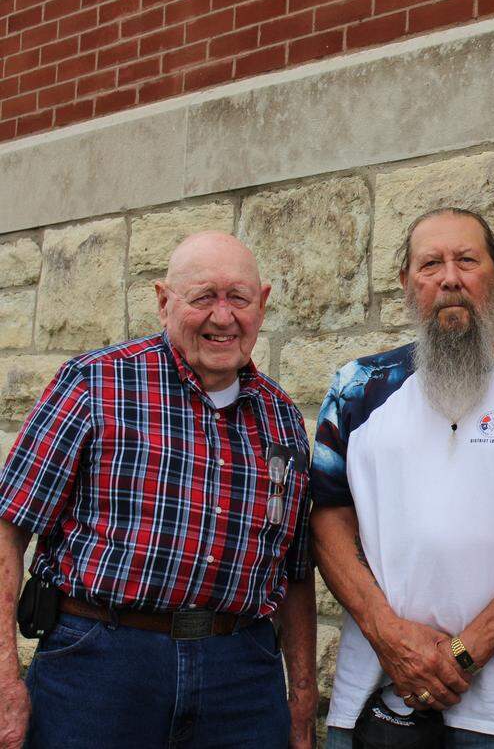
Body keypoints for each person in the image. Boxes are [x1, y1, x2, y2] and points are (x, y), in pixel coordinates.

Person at [0, 232, 317, 749]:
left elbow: (295, 571)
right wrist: (3, 677)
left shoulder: (281, 416)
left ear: (262, 304)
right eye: (202, 298)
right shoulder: (96, 383)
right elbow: (9, 526)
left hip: (241, 675)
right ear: (164, 301)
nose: (222, 317)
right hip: (101, 664)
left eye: (238, 298)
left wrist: (301, 703)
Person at [310, 207, 494, 747]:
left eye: (467, 260)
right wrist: (389, 634)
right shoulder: (358, 387)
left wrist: (463, 652)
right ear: (406, 282)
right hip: (375, 696)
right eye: (431, 264)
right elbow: (327, 514)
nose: (450, 277)